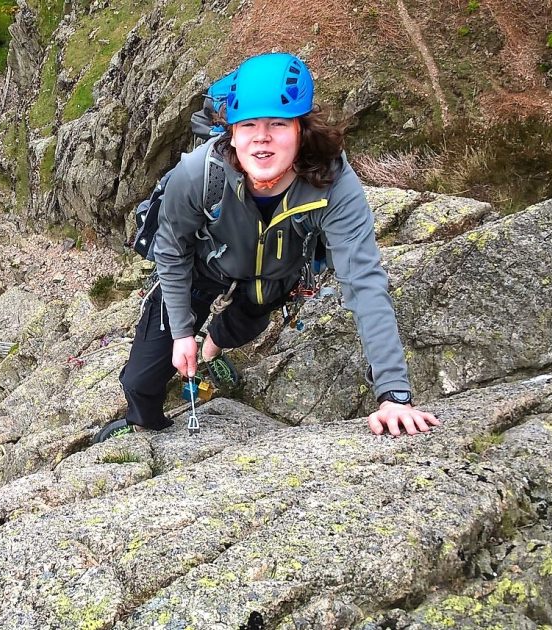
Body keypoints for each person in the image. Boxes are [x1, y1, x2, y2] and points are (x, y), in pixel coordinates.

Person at [94, 52, 439, 443]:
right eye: (249, 125)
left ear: (301, 130)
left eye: (278, 123)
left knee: (235, 329)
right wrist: (180, 331)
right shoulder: (196, 174)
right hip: (202, 271)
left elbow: (363, 280)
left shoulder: (333, 183)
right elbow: (171, 252)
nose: (262, 137)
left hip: (273, 278)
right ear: (232, 132)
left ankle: (215, 347)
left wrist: (394, 395)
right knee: (141, 379)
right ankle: (144, 423)